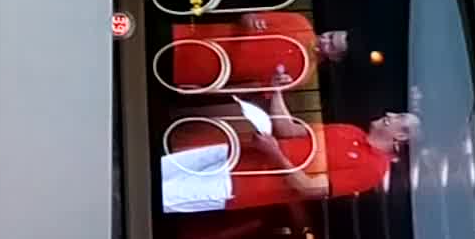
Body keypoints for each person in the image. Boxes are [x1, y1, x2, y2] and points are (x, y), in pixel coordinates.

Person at [161, 92, 420, 215]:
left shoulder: (373, 170)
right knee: (161, 169)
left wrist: (274, 153)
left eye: (399, 118)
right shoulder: (350, 130)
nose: (390, 114)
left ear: (401, 137)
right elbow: (289, 129)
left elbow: (308, 188)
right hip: (237, 153)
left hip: (241, 185)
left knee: (166, 195)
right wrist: (276, 93)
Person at [167, 11, 347, 95]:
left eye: (331, 46)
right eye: (330, 35)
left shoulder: (303, 76)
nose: (325, 41)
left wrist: (208, 90)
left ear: (335, 58)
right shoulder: (299, 22)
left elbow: (252, 87)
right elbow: (247, 16)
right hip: (195, 36)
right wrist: (250, 20)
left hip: (201, 72)